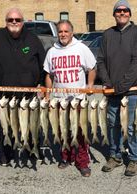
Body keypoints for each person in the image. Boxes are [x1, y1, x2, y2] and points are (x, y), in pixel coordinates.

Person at [0, 8, 46, 165]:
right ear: (5, 22)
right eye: (10, 20)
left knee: (31, 124)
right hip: (3, 92)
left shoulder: (33, 38)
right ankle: (7, 153)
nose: (14, 22)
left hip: (28, 93)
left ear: (23, 22)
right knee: (5, 125)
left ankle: (32, 150)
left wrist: (42, 84)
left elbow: (43, 63)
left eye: (17, 20)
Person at [97, 0, 137, 177]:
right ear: (114, 14)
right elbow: (101, 60)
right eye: (119, 10)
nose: (122, 13)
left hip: (132, 90)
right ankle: (115, 156)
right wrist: (107, 81)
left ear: (130, 14)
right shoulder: (107, 34)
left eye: (126, 10)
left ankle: (134, 158)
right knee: (113, 125)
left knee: (132, 126)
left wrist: (121, 86)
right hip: (113, 91)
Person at [43, 20, 96, 177]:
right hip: (60, 99)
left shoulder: (81, 48)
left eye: (66, 31)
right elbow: (49, 75)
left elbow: (92, 68)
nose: (63, 34)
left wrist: (90, 84)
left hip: (77, 99)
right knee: (62, 130)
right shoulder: (52, 51)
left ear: (72, 32)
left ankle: (82, 161)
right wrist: (47, 94)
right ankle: (66, 157)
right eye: (60, 31)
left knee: (80, 131)